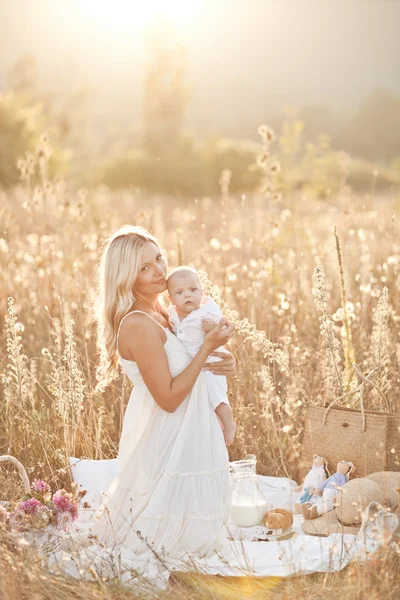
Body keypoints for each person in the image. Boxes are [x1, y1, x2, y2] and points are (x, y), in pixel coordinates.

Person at [58, 224, 236, 576]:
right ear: (126, 277)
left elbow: (194, 362)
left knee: (199, 519)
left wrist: (224, 358)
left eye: (159, 258)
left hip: (191, 426)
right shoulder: (138, 323)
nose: (159, 270)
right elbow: (168, 398)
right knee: (164, 535)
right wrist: (206, 349)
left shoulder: (168, 312)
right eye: (144, 267)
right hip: (166, 431)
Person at [166, 266, 236, 445]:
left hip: (211, 362)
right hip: (192, 364)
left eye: (193, 290)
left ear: (201, 292)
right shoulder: (171, 313)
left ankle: (228, 424)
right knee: (202, 399)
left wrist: (214, 326)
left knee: (215, 394)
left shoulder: (208, 311)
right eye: (180, 292)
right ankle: (213, 425)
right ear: (171, 298)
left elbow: (225, 328)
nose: (187, 295)